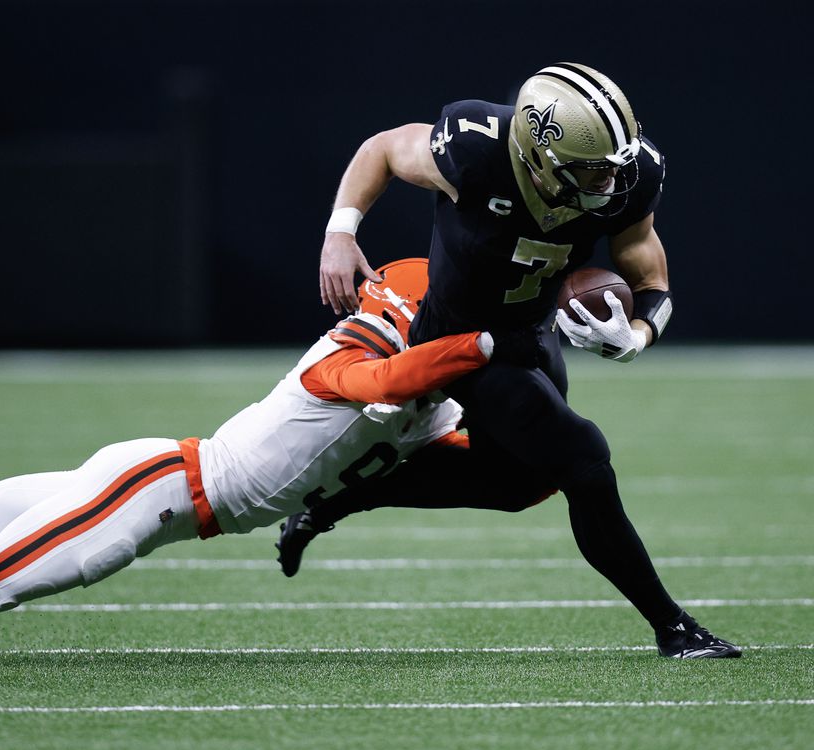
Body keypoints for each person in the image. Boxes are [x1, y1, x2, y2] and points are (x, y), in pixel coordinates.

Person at [0, 260, 540, 620]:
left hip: (160, 480)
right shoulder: (351, 361)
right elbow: (383, 383)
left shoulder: (434, 405)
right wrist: (493, 343)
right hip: (160, 489)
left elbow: (458, 456)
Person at [296, 62, 739, 659]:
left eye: (615, 165)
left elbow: (648, 273)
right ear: (539, 157)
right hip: (458, 337)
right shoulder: (475, 149)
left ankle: (339, 496)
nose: (611, 180)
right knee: (585, 460)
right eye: (592, 169)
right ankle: (673, 628)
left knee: (516, 483)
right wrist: (340, 232)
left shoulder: (630, 173)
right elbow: (384, 148)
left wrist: (634, 337)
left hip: (529, 330)